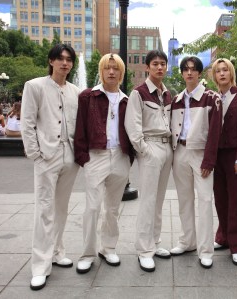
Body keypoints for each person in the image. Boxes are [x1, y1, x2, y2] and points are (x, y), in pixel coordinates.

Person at [21, 44, 80, 290]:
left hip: (70, 156)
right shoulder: (34, 86)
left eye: (69, 60)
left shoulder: (76, 91)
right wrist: (36, 154)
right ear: (51, 61)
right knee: (44, 210)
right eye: (60, 59)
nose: (65, 63)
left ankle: (57, 252)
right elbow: (27, 122)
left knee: (61, 208)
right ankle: (40, 266)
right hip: (47, 155)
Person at [74, 53, 134, 274]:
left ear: (121, 72)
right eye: (107, 68)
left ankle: (108, 248)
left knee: (112, 208)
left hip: (120, 156)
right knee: (92, 207)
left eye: (115, 68)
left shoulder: (127, 100)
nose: (111, 72)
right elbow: (80, 127)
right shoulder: (88, 96)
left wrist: (130, 156)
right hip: (95, 156)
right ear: (101, 71)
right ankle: (88, 253)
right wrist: (83, 158)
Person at [170, 56, 222, 269]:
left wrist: (209, 160)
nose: (189, 73)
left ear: (199, 73)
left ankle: (206, 249)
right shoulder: (176, 99)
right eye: (186, 69)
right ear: (182, 73)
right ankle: (187, 241)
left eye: (193, 69)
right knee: (184, 200)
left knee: (205, 201)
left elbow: (216, 132)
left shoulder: (212, 98)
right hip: (180, 152)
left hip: (201, 154)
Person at [125, 50, 173, 272]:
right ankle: (144, 250)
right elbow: (132, 127)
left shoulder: (167, 93)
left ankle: (155, 243)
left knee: (159, 200)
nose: (160, 67)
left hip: (167, 148)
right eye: (155, 64)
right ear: (147, 67)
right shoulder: (139, 93)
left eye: (163, 64)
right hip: (151, 148)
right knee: (147, 201)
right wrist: (145, 151)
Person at [210, 58, 237, 266]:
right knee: (220, 198)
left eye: (225, 70)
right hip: (215, 155)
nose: (222, 73)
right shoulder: (212, 97)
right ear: (214, 76)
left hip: (234, 156)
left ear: (231, 73)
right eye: (218, 71)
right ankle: (223, 237)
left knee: (235, 200)